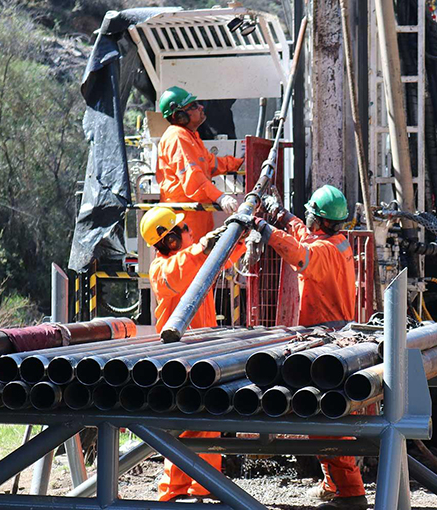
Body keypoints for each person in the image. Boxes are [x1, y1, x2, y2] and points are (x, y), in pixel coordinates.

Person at [252, 185, 368, 510]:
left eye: (308, 215)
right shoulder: (337, 243)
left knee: (329, 426)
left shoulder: (325, 253)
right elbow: (304, 236)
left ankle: (352, 495)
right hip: (330, 336)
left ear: (318, 219)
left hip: (326, 342)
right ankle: (335, 484)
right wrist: (281, 215)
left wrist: (264, 228)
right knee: (323, 417)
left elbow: (299, 253)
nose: (306, 220)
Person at [139, 206, 244, 502]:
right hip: (179, 361)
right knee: (183, 431)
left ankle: (205, 489)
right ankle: (171, 495)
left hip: (202, 356)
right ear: (170, 240)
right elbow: (181, 271)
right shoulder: (163, 269)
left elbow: (223, 257)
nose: (189, 230)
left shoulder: (194, 259)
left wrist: (240, 234)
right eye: (183, 229)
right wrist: (203, 246)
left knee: (206, 428)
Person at [156, 86, 243, 244]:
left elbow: (212, 164)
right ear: (180, 116)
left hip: (195, 216)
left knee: (201, 264)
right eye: (194, 106)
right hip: (183, 220)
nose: (201, 107)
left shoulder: (191, 136)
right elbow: (193, 178)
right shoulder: (177, 137)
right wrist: (220, 197)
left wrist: (239, 164)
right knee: (190, 265)